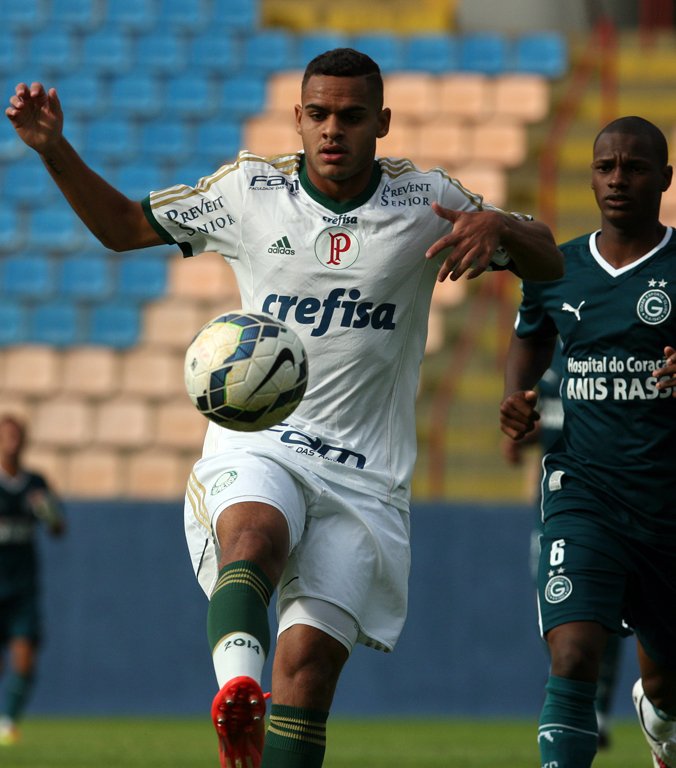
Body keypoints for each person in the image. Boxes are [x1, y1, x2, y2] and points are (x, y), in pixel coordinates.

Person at [7, 48, 563, 768]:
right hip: (262, 440)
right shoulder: (249, 192)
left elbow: (550, 255)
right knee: (255, 536)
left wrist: (504, 232)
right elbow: (120, 226)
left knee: (305, 672)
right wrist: (54, 149)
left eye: (353, 117)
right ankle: (237, 695)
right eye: (321, 114)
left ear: (382, 123)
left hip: (364, 476)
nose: (334, 130)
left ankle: (262, 709)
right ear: (298, 118)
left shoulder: (427, 203)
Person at [499, 115, 676, 768]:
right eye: (606, 167)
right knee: (574, 653)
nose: (619, 179)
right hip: (585, 492)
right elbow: (530, 336)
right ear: (591, 177)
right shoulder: (558, 266)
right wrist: (517, 399)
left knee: (666, 685)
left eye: (634, 167)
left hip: (666, 502)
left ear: (664, 178)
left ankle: (659, 718)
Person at [502, 342, 624, 750]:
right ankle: (576, 697)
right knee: (558, 612)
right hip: (553, 509)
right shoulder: (546, 364)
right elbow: (519, 440)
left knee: (607, 616)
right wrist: (517, 429)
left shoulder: (611, 352)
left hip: (614, 503)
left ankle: (597, 708)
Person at [0, 414, 65, 746]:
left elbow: (58, 529)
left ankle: (8, 721)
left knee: (24, 656)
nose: (12, 440)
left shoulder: (35, 483)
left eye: (17, 435)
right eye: (6, 434)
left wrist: (47, 511)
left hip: (23, 587)